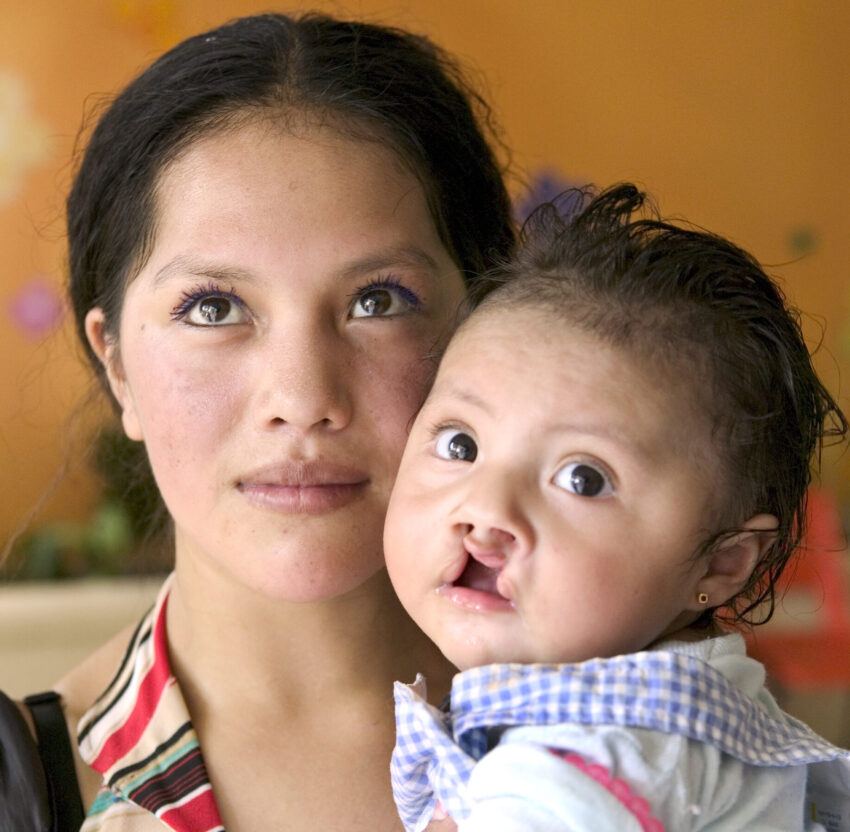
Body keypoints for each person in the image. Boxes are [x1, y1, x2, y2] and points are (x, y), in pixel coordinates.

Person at [0, 11, 515, 831]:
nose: (302, 396)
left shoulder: (648, 742)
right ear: (118, 366)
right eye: (214, 307)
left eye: (376, 301)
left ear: (487, 328)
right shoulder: (24, 790)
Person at [384, 184, 850, 831]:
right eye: (461, 443)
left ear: (721, 565)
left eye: (582, 479)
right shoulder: (680, 717)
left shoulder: (599, 760)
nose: (485, 508)